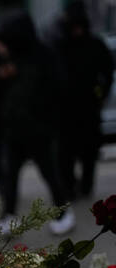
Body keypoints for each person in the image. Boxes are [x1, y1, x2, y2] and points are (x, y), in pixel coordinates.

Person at [0, 12, 73, 235]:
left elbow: (57, 90)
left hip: (39, 130)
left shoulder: (44, 56)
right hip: (14, 129)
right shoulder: (10, 59)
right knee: (10, 176)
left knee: (50, 173)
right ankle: (9, 217)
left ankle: (64, 213)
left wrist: (48, 120)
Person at [51, 2, 114, 201]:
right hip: (65, 111)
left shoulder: (95, 45)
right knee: (65, 155)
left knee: (89, 153)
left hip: (88, 109)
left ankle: (85, 186)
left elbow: (107, 73)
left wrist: (100, 95)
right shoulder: (60, 46)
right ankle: (69, 187)